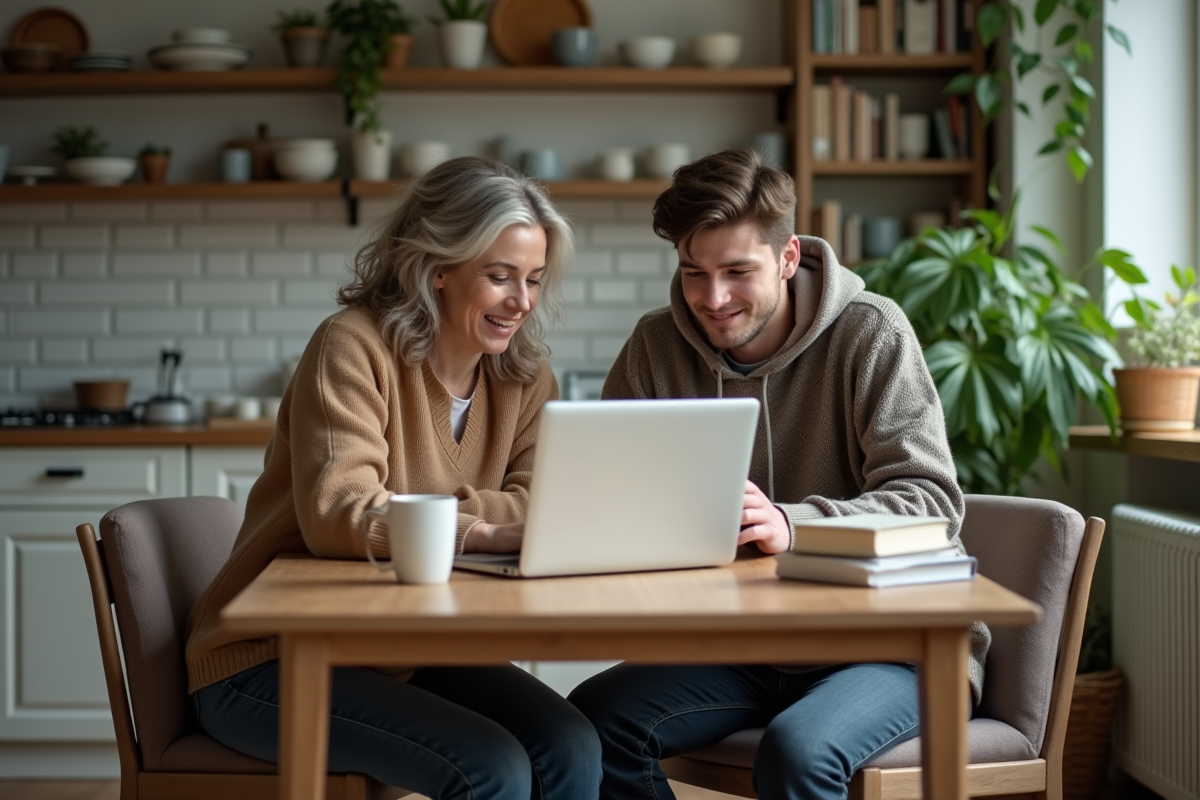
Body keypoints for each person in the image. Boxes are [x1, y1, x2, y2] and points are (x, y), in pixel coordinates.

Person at [567, 148, 990, 800]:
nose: (713, 298)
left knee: (797, 753)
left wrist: (794, 523)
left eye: (738, 271)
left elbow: (931, 502)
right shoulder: (655, 349)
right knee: (592, 724)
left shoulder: (870, 332)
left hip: (889, 645)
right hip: (744, 648)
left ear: (788, 257)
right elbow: (614, 498)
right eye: (692, 273)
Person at [185, 157, 601, 800]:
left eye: (535, 280)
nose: (521, 302)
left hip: (404, 651)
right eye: (500, 277)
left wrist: (436, 516)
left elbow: (537, 504)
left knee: (573, 747)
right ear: (439, 269)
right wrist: (481, 530)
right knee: (491, 769)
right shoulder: (351, 347)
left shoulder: (523, 376)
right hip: (270, 659)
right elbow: (340, 513)